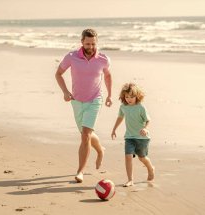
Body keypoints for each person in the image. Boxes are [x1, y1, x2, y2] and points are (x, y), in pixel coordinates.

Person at [55, 29, 112, 183]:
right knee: (85, 133)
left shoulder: (103, 59)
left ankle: (80, 171)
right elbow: (58, 74)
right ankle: (100, 149)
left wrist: (109, 95)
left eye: (93, 43)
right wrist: (65, 92)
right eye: (87, 43)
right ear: (82, 42)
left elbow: (107, 75)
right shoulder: (72, 57)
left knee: (85, 135)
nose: (91, 46)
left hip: (95, 100)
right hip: (76, 100)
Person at [111, 83, 155, 187]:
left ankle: (150, 168)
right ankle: (130, 180)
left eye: (132, 97)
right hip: (129, 137)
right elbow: (120, 118)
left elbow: (148, 120)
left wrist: (145, 128)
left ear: (137, 96)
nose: (129, 99)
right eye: (126, 97)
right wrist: (114, 129)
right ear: (123, 97)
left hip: (142, 138)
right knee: (128, 156)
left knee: (142, 158)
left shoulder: (141, 107)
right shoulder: (123, 107)